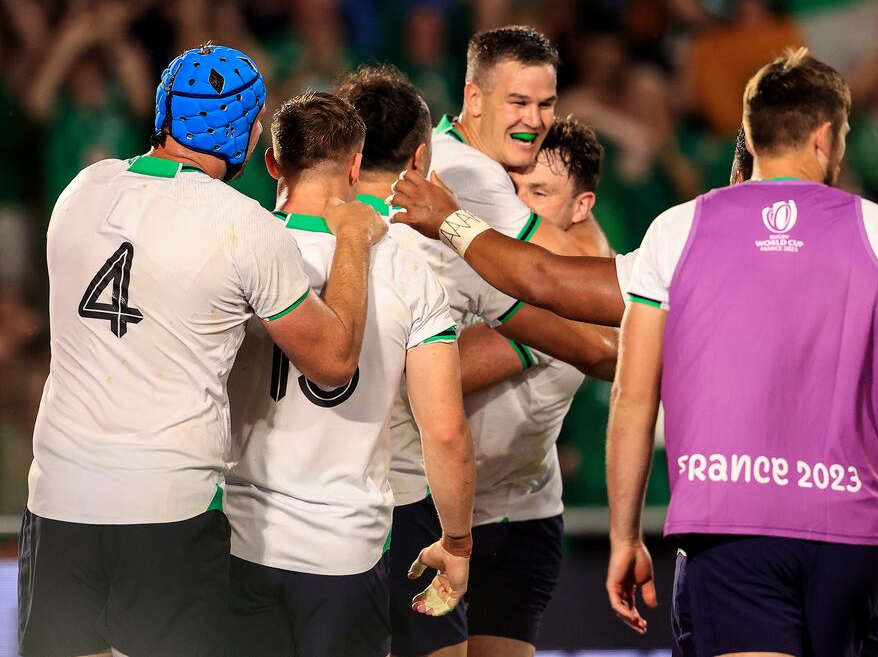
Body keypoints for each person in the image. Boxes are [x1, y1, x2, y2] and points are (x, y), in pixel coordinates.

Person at [19, 44, 385, 657]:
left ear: (164, 111)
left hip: (59, 497)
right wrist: (352, 240)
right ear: (247, 133)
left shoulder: (80, 190)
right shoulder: (244, 225)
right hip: (168, 507)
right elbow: (333, 360)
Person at [606, 47, 878, 655]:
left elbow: (634, 393)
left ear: (750, 138)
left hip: (729, 524)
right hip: (848, 537)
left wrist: (625, 534)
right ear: (826, 136)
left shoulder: (676, 230)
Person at [338, 63, 615, 657]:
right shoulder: (437, 259)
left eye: (536, 198)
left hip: (504, 516)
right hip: (416, 511)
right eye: (508, 197)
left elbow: (600, 349)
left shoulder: (279, 245)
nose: (512, 214)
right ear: (421, 159)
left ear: (582, 208)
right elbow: (432, 404)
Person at [224, 91, 475, 657]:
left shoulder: (232, 247)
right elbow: (445, 432)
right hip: (344, 551)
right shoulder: (407, 267)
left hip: (239, 540)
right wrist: (456, 542)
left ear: (272, 163)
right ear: (356, 165)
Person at [389, 121, 878, 323]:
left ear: (733, 180)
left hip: (726, 523)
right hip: (840, 527)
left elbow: (546, 279)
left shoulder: (691, 247)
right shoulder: (869, 250)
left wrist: (452, 220)